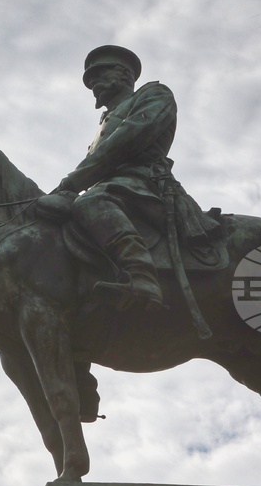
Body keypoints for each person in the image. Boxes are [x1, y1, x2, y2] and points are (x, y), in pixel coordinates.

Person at [45, 45, 216, 310]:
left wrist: (71, 183)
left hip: (143, 186)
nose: (93, 84)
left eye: (100, 75)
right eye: (90, 80)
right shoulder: (105, 120)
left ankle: (142, 277)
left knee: (90, 203)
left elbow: (128, 139)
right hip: (113, 189)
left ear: (124, 74)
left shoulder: (154, 94)